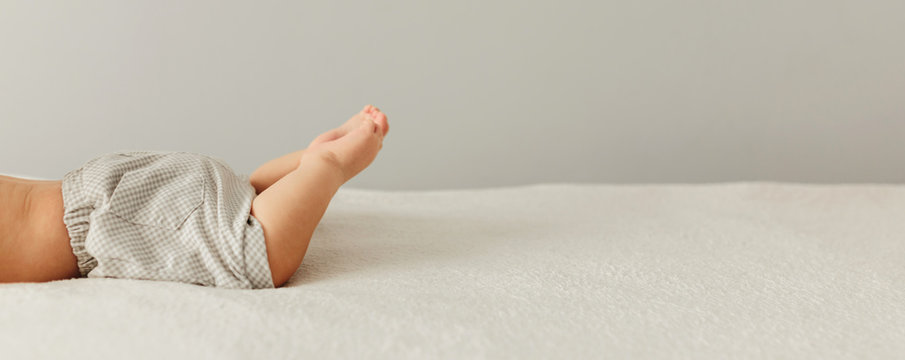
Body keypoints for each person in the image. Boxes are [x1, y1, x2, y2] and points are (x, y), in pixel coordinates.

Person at [0, 105, 389, 288]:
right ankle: (305, 162)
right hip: (111, 182)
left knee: (257, 251)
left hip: (111, 220)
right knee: (245, 195)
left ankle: (328, 165)